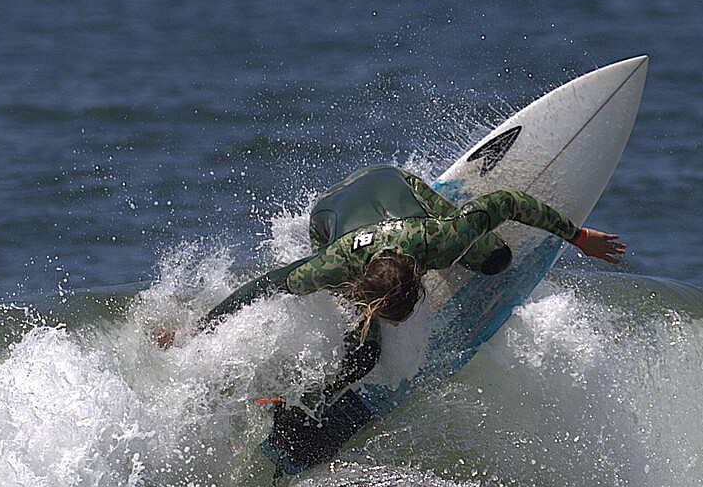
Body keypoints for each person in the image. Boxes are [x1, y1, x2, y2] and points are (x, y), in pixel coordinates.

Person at [176, 166, 624, 394]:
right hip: (328, 211)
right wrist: (198, 330)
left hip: (391, 179)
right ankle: (316, 398)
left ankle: (435, 206)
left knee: (496, 258)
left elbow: (508, 200)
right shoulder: (332, 265)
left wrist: (579, 237)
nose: (399, 322)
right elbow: (261, 288)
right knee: (363, 356)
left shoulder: (439, 240)